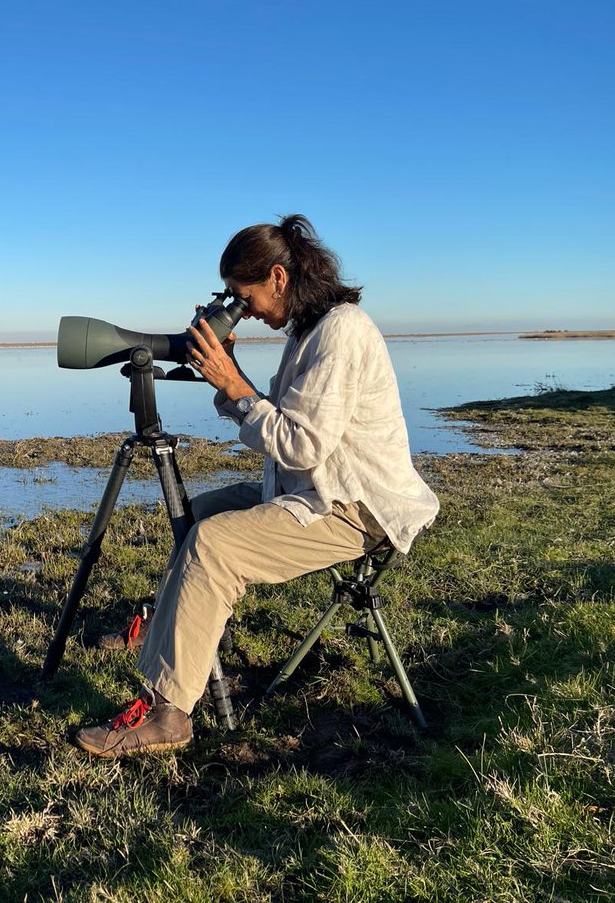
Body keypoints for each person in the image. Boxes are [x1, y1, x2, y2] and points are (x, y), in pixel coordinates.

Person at [75, 214, 439, 758]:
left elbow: (299, 444)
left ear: (277, 277)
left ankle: (169, 714)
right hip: (309, 488)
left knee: (212, 546)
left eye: (243, 296)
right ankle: (166, 638)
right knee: (195, 516)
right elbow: (270, 418)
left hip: (354, 505)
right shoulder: (309, 331)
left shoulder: (342, 332)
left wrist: (233, 382)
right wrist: (225, 370)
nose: (242, 307)